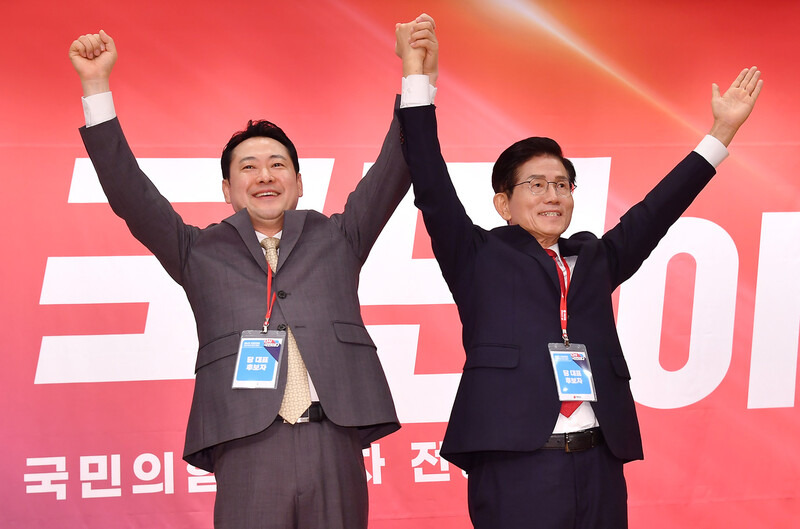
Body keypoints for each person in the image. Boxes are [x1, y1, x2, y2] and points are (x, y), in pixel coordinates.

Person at [68, 16, 437, 529]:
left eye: (278, 164)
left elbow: (394, 169)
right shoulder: (197, 251)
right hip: (247, 443)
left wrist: (416, 74)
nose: (265, 175)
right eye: (247, 167)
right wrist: (95, 86)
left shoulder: (338, 237)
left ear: (299, 183)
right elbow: (130, 193)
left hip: (333, 437)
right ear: (227, 189)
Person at [395, 26, 762, 529]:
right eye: (536, 184)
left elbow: (657, 210)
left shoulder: (594, 257)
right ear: (503, 203)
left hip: (598, 462)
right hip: (516, 465)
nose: (553, 195)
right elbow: (432, 182)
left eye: (562, 185)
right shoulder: (476, 255)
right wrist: (417, 80)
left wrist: (720, 134)